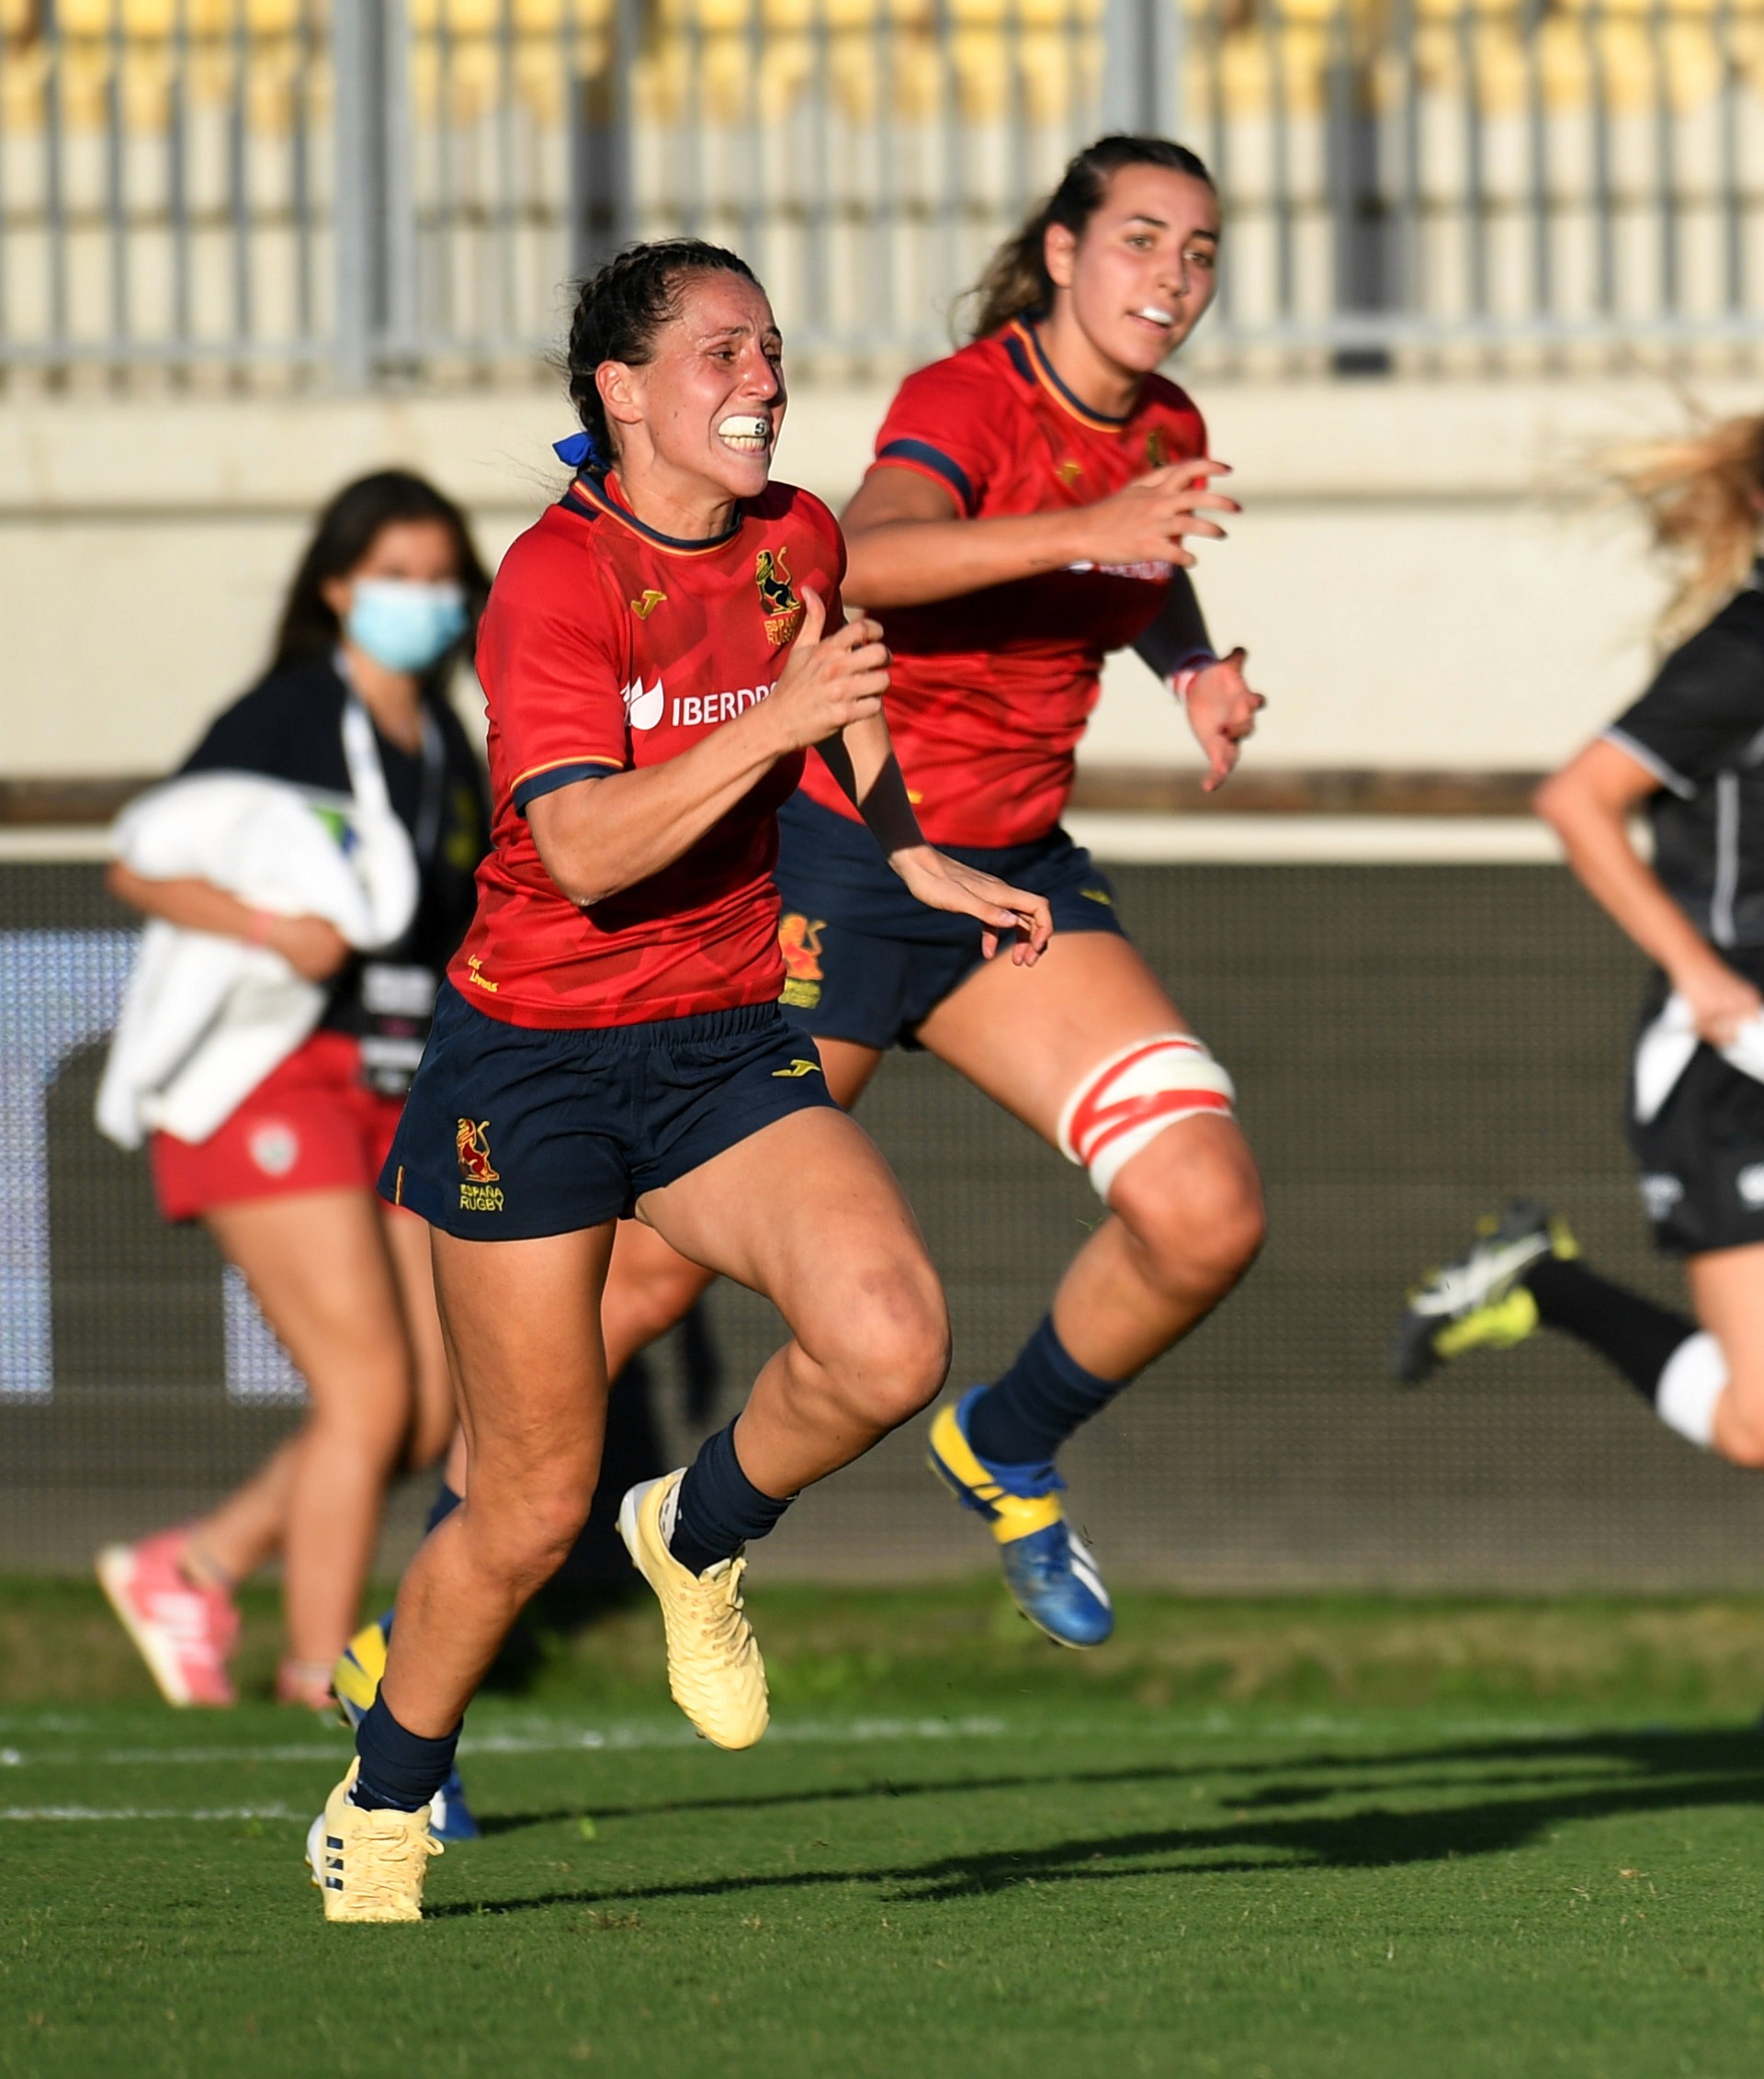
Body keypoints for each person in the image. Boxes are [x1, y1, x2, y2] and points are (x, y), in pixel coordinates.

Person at [304, 237, 1053, 1923]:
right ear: (622, 390)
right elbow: (580, 850)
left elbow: (841, 692)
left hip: (721, 1039)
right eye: (722, 353)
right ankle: (387, 1796)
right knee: (523, 1509)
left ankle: (697, 1533)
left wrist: (909, 850)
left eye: (770, 348)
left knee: (891, 1343)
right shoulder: (552, 582)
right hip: (533, 1067)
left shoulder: (797, 534)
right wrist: (774, 724)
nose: (763, 381)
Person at [548, 134, 1267, 1651]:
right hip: (846, 864)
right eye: (1141, 239)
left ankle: (1001, 1442)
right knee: (643, 1284)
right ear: (1062, 253)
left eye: (1198, 250)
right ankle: (437, 1607)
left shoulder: (1165, 421)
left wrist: (1191, 662)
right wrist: (1092, 530)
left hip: (1010, 877)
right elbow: (863, 558)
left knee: (1203, 1212)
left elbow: (1136, 566)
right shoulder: (967, 398)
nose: (1174, 274)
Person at [1391, 392, 1764, 1733]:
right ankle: (1546, 1282)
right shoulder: (1750, 650)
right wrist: (1698, 973)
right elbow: (1576, 800)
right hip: (1732, 1059)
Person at [95, 472, 491, 1716]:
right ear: (336, 587)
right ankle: (323, 1679)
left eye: (442, 578)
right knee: (366, 1392)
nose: (423, 600)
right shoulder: (288, 713)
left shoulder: (451, 745)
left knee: (425, 1409)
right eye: (396, 576)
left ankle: (194, 1569)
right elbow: (137, 864)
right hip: (267, 1073)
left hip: (396, 1084)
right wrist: (272, 928)